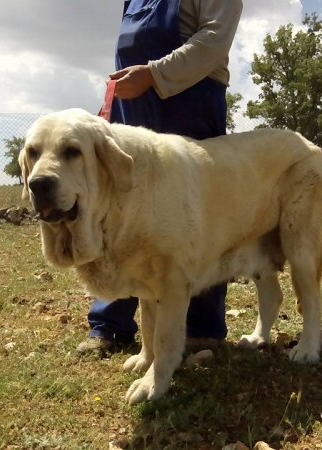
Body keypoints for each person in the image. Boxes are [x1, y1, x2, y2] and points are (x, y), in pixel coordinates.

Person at [76, 0, 244, 355]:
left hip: (190, 105)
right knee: (119, 211)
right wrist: (111, 107)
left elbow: (215, 39)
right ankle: (110, 325)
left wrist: (153, 75)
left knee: (197, 214)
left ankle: (200, 327)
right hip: (132, 110)